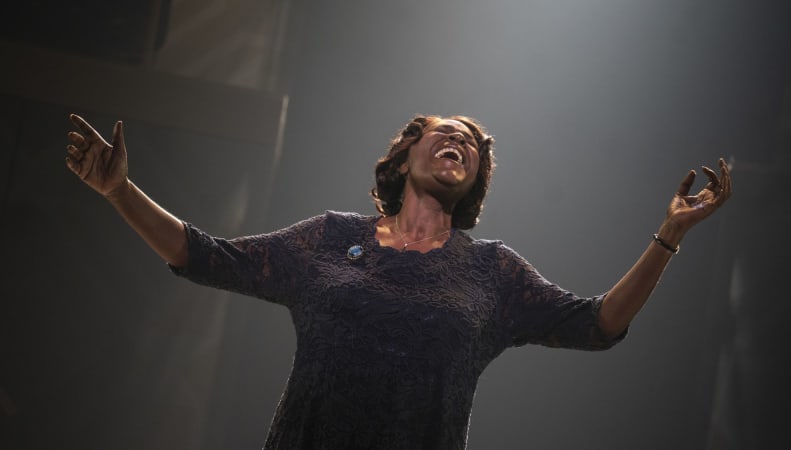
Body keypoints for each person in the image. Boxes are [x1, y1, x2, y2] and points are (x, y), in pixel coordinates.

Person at [65, 113, 731, 449]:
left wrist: (669, 234)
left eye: (473, 145)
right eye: (448, 133)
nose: (462, 143)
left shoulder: (492, 271)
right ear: (409, 151)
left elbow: (599, 324)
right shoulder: (328, 237)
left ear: (474, 178)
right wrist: (120, 190)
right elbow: (207, 255)